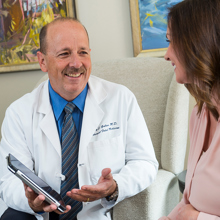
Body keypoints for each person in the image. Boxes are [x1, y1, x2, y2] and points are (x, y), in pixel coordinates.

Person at [0, 17, 158, 220]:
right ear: (42, 61)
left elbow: (145, 162)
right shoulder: (19, 113)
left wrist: (114, 186)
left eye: (83, 52)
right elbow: (8, 181)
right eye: (64, 54)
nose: (76, 63)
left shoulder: (120, 99)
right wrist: (30, 200)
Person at [159, 0, 220, 219]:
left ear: (198, 42)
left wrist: (196, 218)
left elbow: (191, 214)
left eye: (172, 41)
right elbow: (187, 202)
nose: (166, 54)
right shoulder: (200, 114)